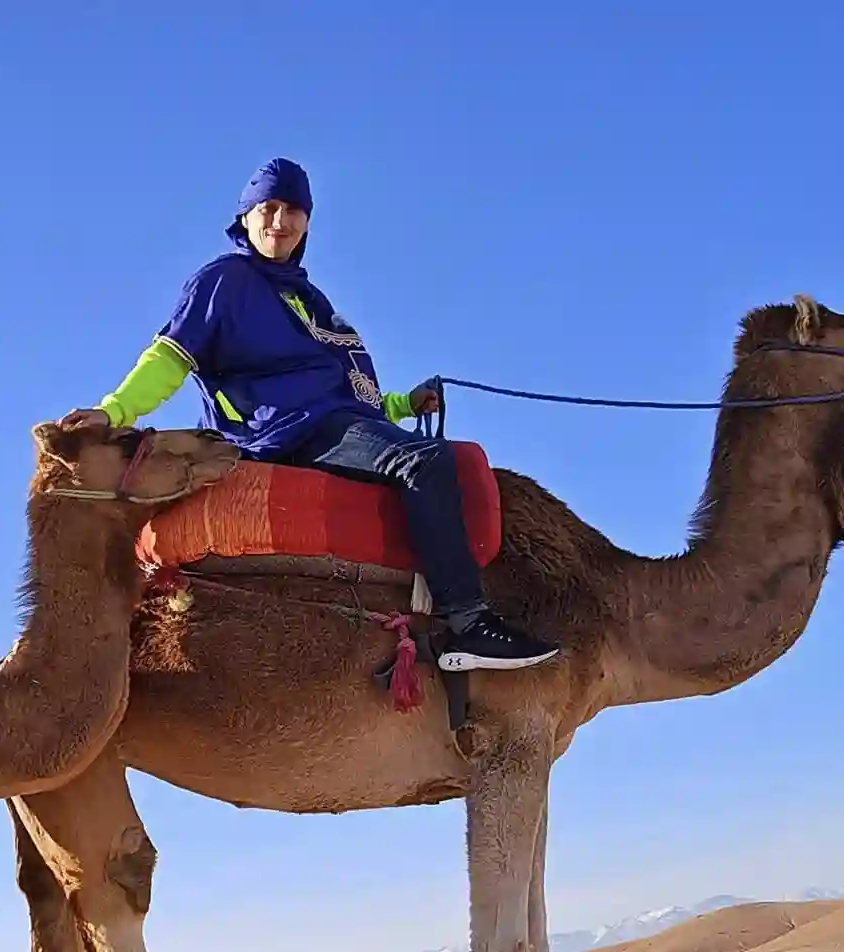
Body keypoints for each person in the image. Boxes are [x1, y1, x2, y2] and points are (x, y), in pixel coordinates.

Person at [64, 158, 556, 670]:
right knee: (425, 464)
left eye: (293, 211)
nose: (280, 221)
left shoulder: (309, 300)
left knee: (436, 461)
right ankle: (468, 624)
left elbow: (347, 396)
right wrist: (113, 412)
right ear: (246, 217)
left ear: (307, 223)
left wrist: (405, 406)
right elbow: (171, 355)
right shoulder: (225, 282)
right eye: (268, 208)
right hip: (290, 431)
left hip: (334, 423)